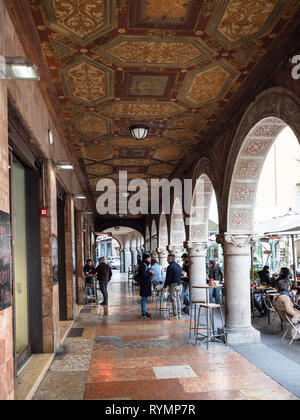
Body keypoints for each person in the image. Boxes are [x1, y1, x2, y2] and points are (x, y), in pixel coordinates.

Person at [162, 253, 183, 320]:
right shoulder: (178, 266)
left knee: (173, 299)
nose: (167, 260)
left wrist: (164, 286)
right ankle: (179, 314)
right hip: (179, 285)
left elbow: (168, 278)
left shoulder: (170, 267)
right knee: (178, 299)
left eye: (167, 259)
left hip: (173, 286)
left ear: (171, 259)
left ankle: (175, 314)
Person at [138, 253, 152, 319]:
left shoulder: (145, 265)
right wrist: (150, 273)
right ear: (146, 258)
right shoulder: (143, 265)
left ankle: (144, 312)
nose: (150, 259)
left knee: (145, 297)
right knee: (144, 298)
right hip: (144, 284)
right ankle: (143, 313)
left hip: (145, 283)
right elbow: (144, 275)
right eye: (149, 258)